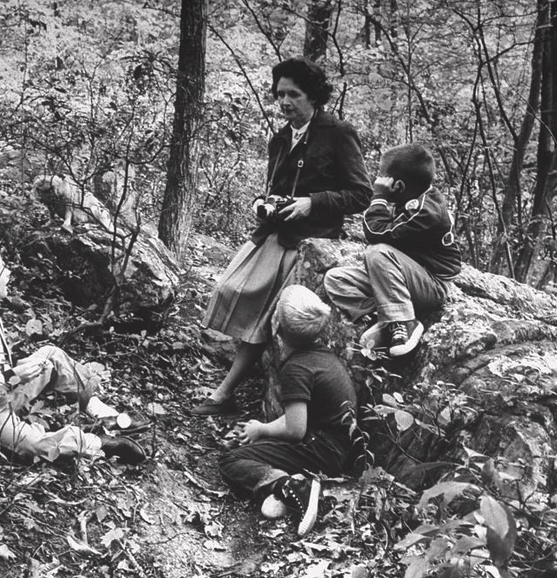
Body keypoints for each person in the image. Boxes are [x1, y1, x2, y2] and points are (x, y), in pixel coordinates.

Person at [192, 56, 372, 416]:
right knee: (230, 291)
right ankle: (240, 383)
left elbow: (362, 195)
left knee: (270, 316)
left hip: (312, 242)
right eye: (280, 95)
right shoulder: (280, 139)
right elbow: (276, 186)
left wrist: (312, 203)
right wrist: (264, 202)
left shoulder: (338, 134)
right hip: (274, 234)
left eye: (294, 94)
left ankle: (227, 393)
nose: (286, 102)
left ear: (314, 96)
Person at [0, 235, 146, 464]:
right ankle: (98, 444)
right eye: (1, 267)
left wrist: (22, 373)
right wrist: (11, 376)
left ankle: (104, 415)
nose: (8, 271)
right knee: (32, 443)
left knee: (51, 355)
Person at [218, 285, 359, 536]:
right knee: (248, 449)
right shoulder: (320, 355)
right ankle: (290, 480)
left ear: (276, 325)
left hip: (322, 450)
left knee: (231, 460)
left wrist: (261, 429)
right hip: (333, 443)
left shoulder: (296, 369)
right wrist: (260, 435)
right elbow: (304, 416)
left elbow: (295, 429)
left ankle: (291, 488)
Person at [323, 143, 462, 356]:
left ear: (398, 186)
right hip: (404, 278)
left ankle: (404, 322)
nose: (378, 181)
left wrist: (379, 197)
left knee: (377, 252)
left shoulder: (427, 212)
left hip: (431, 284)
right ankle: (387, 320)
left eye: (382, 177)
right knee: (336, 279)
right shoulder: (410, 198)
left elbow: (376, 233)